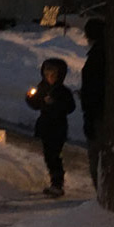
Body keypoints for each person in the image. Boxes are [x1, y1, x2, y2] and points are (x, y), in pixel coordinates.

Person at [25, 58, 75, 197]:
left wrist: (55, 104)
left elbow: (70, 107)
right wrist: (31, 98)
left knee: (54, 156)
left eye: (53, 74)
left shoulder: (63, 92)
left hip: (58, 128)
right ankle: (55, 182)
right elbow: (36, 105)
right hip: (45, 126)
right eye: (47, 73)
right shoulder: (42, 88)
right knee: (48, 155)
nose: (49, 77)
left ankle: (57, 184)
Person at [79, 19, 106, 189]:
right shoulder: (105, 53)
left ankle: (102, 195)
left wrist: (89, 114)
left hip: (97, 115)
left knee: (97, 159)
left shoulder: (97, 57)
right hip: (100, 113)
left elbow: (94, 89)